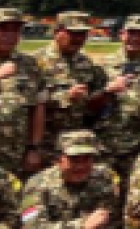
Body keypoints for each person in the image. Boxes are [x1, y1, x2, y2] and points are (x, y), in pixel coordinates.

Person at [92, 15, 140, 187]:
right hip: (104, 143)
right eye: (131, 33)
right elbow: (88, 103)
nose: (135, 38)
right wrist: (107, 91)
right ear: (122, 34)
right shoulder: (101, 64)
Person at [35, 12, 108, 163]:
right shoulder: (35, 61)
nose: (78, 38)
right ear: (57, 32)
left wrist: (105, 93)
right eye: (73, 33)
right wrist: (66, 97)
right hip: (44, 143)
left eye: (83, 33)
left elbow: (93, 103)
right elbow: (25, 100)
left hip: (76, 146)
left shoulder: (86, 63)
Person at [0, 7, 46, 178]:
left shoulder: (29, 64)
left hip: (16, 153)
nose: (10, 35)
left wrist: (34, 147)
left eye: (15, 30)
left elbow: (38, 106)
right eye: (3, 29)